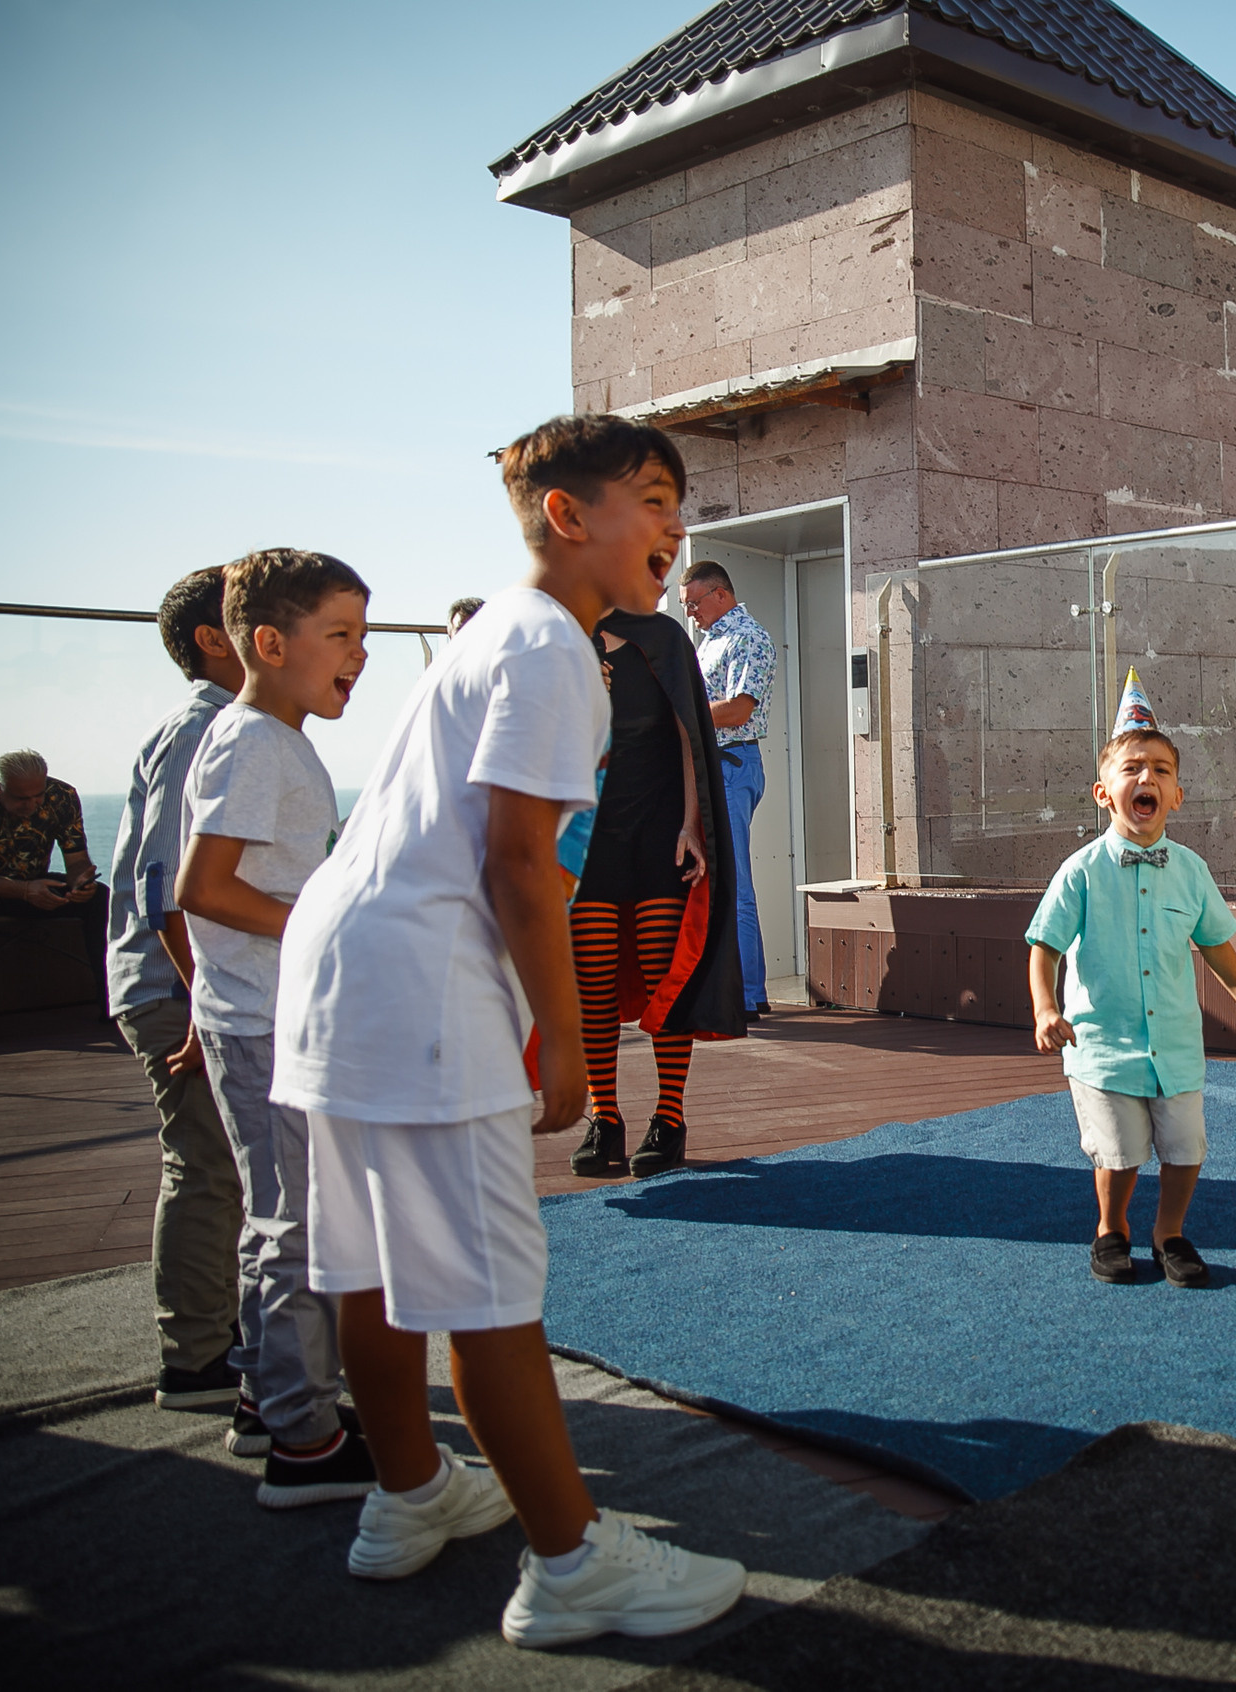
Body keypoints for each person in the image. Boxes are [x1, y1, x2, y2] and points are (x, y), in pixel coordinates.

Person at [272, 413, 745, 1645]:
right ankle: (572, 1565)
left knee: (373, 1266)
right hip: (423, 984)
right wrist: (567, 1044)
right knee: (489, 1290)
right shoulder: (548, 648)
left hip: (341, 972)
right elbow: (525, 868)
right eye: (651, 497)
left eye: (678, 502)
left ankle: (409, 1495)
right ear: (567, 516)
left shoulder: (496, 638)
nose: (673, 524)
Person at [176, 549, 379, 1505]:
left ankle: (267, 1400)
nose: (362, 653)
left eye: (365, 635)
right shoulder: (256, 740)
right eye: (340, 635)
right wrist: (323, 920)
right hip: (267, 1023)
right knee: (298, 1224)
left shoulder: (271, 738)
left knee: (276, 1216)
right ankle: (306, 1440)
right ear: (269, 641)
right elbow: (204, 889)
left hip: (255, 1014)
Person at [1025, 694, 1236, 1290]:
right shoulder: (1081, 871)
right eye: (1132, 768)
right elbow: (1045, 945)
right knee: (1118, 1153)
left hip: (1175, 1043)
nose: (1148, 778)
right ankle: (1110, 1229)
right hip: (1102, 1046)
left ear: (1177, 796)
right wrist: (1044, 1007)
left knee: (1185, 1147)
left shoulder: (1192, 869)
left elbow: (1216, 944)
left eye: (1161, 771)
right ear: (1103, 793)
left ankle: (1169, 1233)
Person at [105, 566, 248, 1412]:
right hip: (180, 991)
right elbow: (168, 886)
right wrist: (200, 1002)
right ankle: (196, 1359)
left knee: (215, 1166)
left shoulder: (222, 728)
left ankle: (212, 1339)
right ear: (213, 638)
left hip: (186, 986)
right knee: (206, 1168)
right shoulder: (205, 732)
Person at [568, 603, 756, 1179]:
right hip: (587, 835)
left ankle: (668, 1119)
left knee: (662, 977)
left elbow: (690, 735)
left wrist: (692, 823)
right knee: (591, 983)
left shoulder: (664, 638)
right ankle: (605, 1119)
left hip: (659, 831)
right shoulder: (558, 635)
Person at [0, 750, 106, 1047]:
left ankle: (111, 1001)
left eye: (37, 796)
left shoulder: (62, 796)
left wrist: (80, 881)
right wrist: (25, 891)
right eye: (20, 798)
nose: (31, 805)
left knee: (100, 898)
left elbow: (76, 859)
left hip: (30, 881)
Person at [678, 561, 774, 1014]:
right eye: (685, 607)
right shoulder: (710, 640)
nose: (691, 613)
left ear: (720, 594)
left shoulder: (747, 637)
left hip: (732, 765)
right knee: (714, 883)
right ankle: (730, 987)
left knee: (734, 884)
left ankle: (749, 993)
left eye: (694, 603)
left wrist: (680, 713)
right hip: (712, 766)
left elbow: (737, 710)